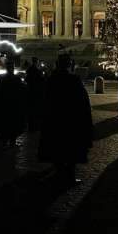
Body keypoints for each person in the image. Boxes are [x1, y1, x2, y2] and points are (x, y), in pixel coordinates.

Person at [38, 54, 92, 185]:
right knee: (71, 150)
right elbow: (83, 102)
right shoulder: (74, 80)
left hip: (55, 121)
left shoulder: (51, 80)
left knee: (57, 149)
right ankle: (70, 176)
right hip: (71, 122)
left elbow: (44, 100)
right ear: (69, 65)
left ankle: (59, 173)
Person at [0, 60, 27, 147]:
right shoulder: (16, 79)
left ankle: (5, 141)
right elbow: (22, 91)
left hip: (4, 104)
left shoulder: (1, 79)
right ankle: (12, 141)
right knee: (14, 123)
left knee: (5, 123)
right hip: (14, 105)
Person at [25, 57, 45, 132]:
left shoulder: (29, 69)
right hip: (36, 92)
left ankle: (31, 126)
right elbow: (41, 81)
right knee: (35, 110)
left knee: (30, 111)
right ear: (36, 62)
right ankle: (34, 127)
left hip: (30, 91)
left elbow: (27, 79)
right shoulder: (38, 71)